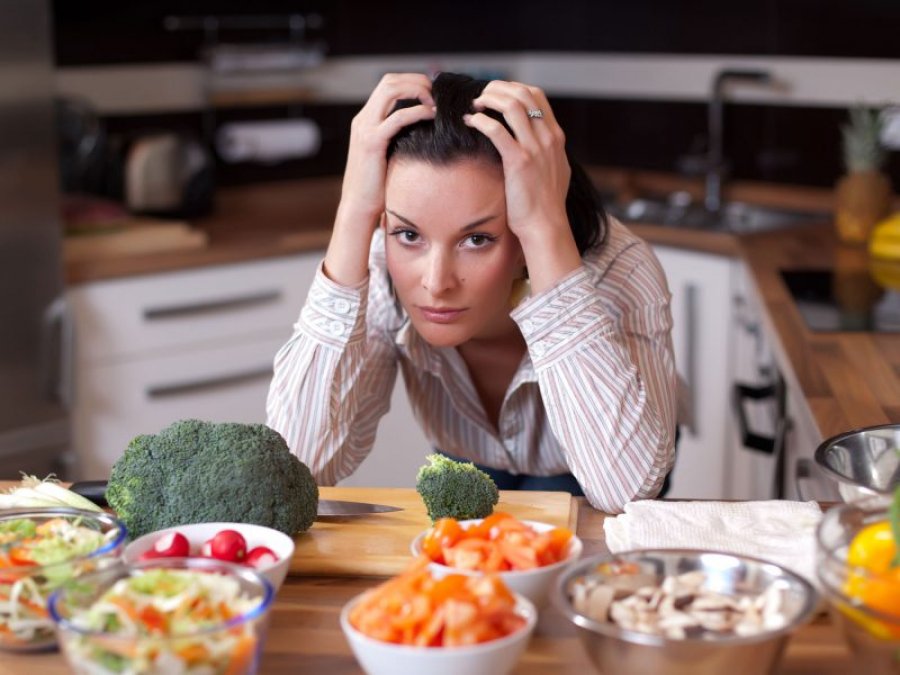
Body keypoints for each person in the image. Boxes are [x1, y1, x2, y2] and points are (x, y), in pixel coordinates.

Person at [267, 72, 677, 513]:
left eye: (477, 239)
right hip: (466, 457)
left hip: (600, 465)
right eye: (408, 233)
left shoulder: (619, 271)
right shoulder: (380, 263)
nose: (435, 281)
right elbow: (297, 466)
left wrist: (544, 228)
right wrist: (352, 211)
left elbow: (625, 492)